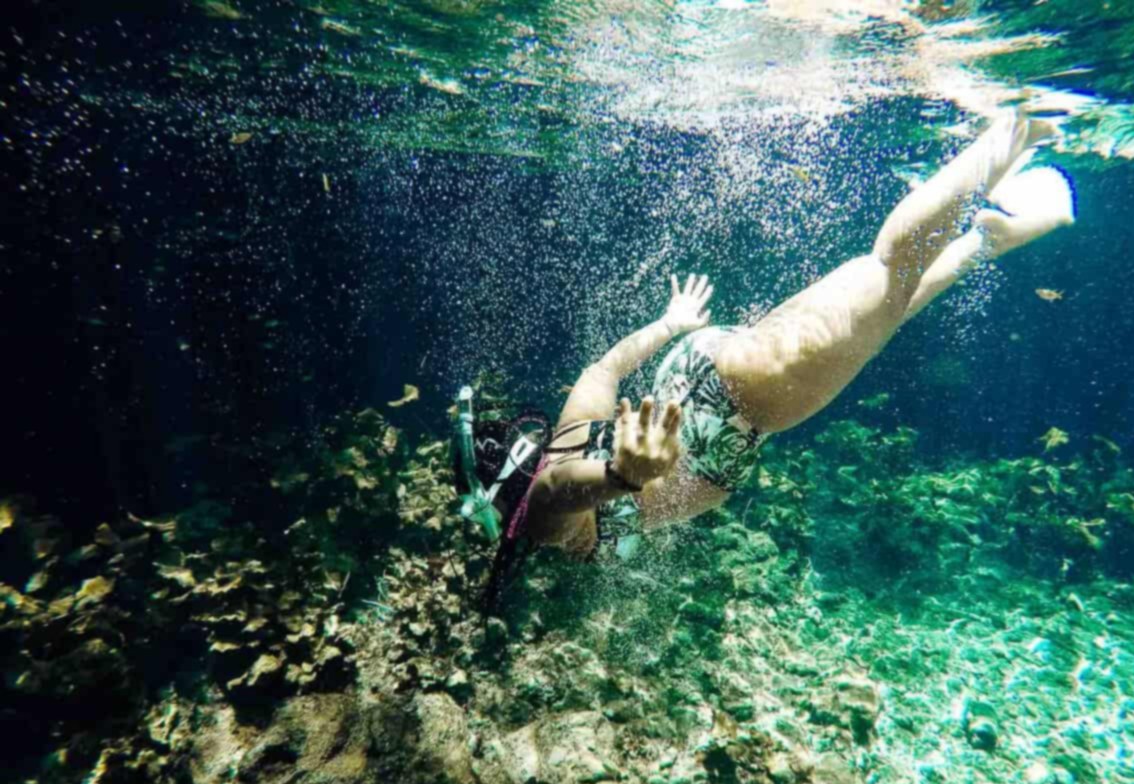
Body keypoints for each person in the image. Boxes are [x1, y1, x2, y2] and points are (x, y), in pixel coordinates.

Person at [454, 107, 1075, 572]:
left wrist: (621, 475)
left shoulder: (536, 524)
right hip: (709, 366)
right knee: (884, 313)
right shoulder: (563, 437)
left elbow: (558, 492)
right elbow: (602, 369)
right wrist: (672, 326)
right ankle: (986, 239)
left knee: (886, 277)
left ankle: (1015, 127)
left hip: (741, 404)